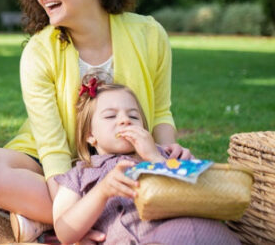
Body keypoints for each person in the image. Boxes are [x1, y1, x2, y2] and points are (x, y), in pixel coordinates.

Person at [0, 0, 191, 242]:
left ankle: (47, 220)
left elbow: (161, 112)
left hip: (126, 157)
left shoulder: (150, 35)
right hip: (58, 162)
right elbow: (54, 151)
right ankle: (92, 215)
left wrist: (166, 159)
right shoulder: (39, 51)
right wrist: (68, 220)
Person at [52, 73, 240, 244]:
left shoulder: (166, 155)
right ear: (89, 135)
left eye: (133, 116)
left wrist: (154, 157)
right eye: (110, 116)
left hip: (195, 231)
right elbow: (64, 233)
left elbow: (204, 196)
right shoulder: (79, 174)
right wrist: (102, 192)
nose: (125, 120)